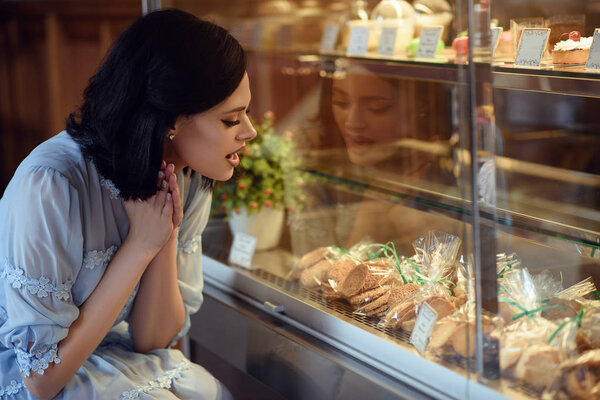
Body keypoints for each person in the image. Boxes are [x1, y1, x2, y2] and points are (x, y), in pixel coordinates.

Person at [0, 9, 256, 399]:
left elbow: (152, 339)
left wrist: (163, 233)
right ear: (171, 120)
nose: (249, 132)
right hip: (31, 371)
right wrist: (139, 246)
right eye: (231, 120)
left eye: (246, 114)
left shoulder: (185, 175)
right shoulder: (51, 183)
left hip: (113, 355)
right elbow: (41, 379)